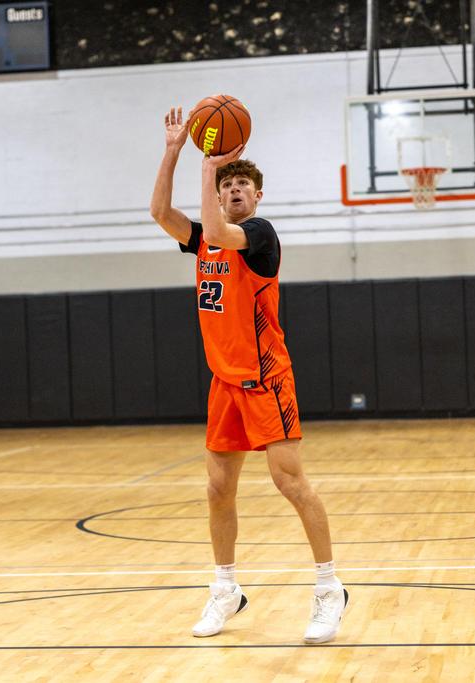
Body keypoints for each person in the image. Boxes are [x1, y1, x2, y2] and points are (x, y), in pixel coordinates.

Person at [149, 106, 348, 644]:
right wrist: (174, 150)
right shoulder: (203, 238)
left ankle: (329, 589)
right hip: (224, 381)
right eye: (228, 184)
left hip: (266, 379)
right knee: (218, 489)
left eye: (243, 185)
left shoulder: (259, 235)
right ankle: (225, 589)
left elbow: (217, 229)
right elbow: (159, 211)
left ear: (257, 197)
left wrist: (210, 165)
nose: (234, 189)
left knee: (290, 483)